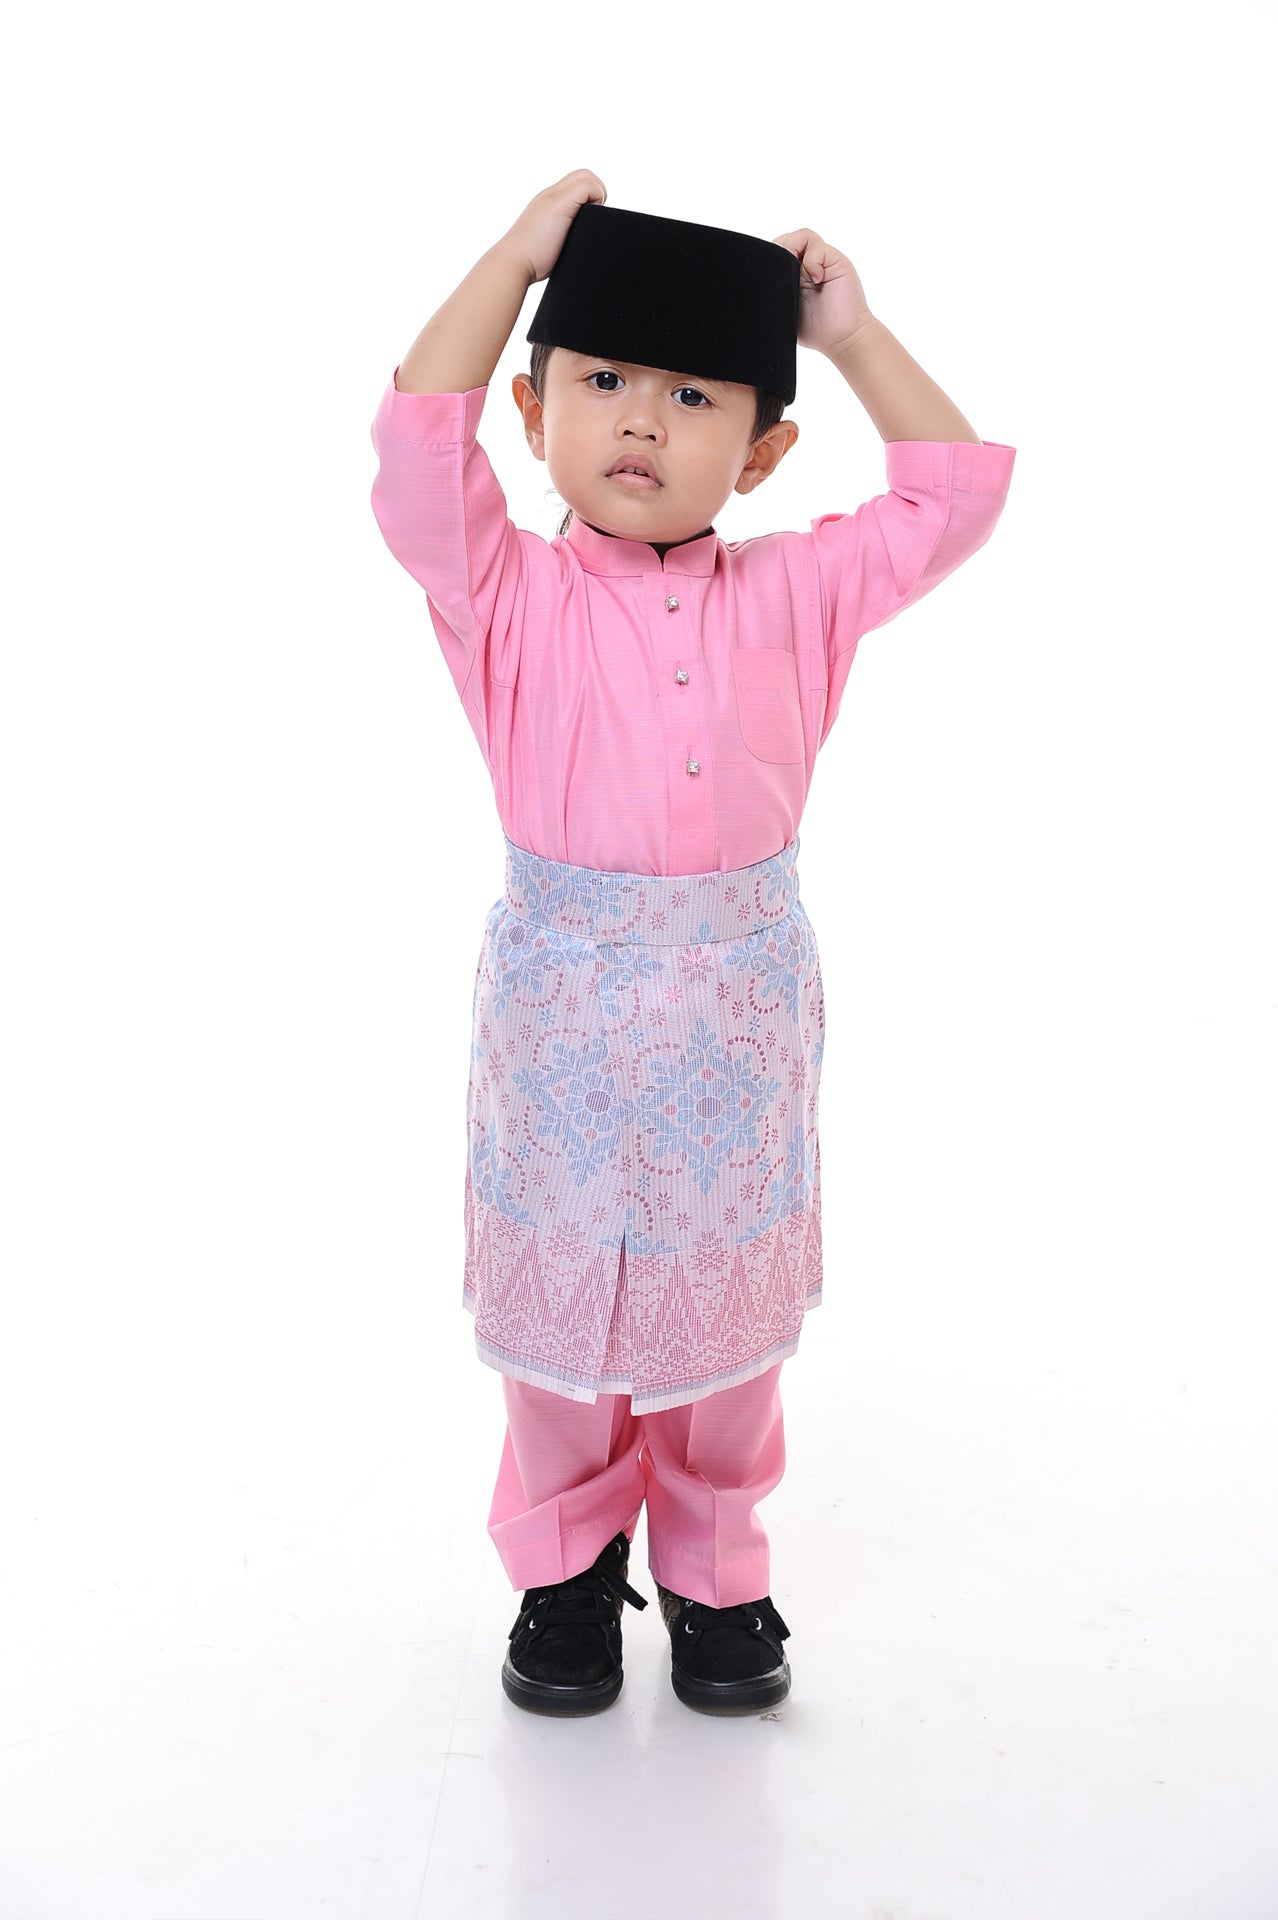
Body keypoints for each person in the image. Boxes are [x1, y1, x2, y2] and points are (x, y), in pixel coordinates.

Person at [368, 168, 1016, 1719]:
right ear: (534, 415)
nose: (642, 423)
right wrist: (514, 261)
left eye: (692, 396)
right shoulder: (501, 592)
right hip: (562, 1017)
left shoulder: (799, 594)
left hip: (736, 1016)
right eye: (600, 383)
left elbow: (953, 495)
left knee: (723, 1328)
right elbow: (412, 445)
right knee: (562, 1329)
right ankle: (564, 1568)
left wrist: (849, 335)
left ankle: (717, 1571)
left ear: (764, 449)